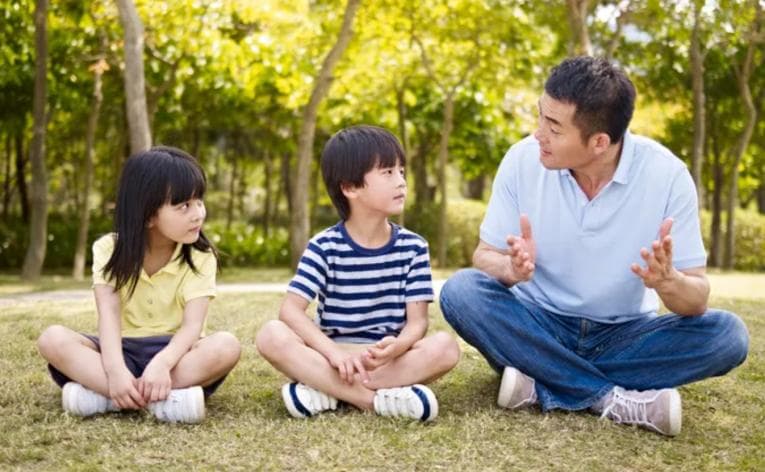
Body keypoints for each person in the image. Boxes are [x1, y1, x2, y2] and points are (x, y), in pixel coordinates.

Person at [439, 56, 749, 436]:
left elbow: (696, 300)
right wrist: (510, 270)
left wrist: (668, 281)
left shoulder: (667, 177)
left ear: (599, 142)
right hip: (538, 324)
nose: (538, 134)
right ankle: (610, 399)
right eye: (540, 117)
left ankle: (543, 383)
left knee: (728, 336)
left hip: (624, 335)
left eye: (553, 127)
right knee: (460, 291)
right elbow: (483, 257)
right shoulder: (522, 160)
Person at [256, 125, 460, 421]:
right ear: (350, 187)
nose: (401, 181)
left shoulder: (414, 247)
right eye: (388, 172)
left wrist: (397, 347)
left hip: (386, 359)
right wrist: (333, 354)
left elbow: (418, 324)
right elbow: (290, 311)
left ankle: (324, 390)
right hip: (333, 354)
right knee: (271, 335)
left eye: (402, 171)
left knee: (445, 347)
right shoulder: (324, 246)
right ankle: (374, 401)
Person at [37, 146, 241, 423]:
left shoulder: (200, 257)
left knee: (226, 346)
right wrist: (115, 370)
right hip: (121, 348)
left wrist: (162, 364)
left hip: (176, 356)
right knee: (52, 339)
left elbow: (193, 327)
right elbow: (108, 315)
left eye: (199, 202)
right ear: (147, 215)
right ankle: (159, 399)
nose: (198, 214)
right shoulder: (108, 249)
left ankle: (107, 398)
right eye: (184, 206)